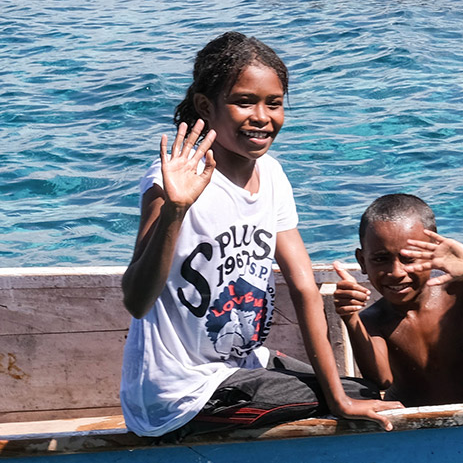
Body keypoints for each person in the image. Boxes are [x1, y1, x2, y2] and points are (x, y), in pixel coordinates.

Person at [119, 32, 397, 439]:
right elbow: (136, 300)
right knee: (354, 400)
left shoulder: (272, 176)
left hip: (242, 366)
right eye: (244, 101)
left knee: (363, 392)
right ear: (204, 106)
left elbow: (304, 289)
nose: (262, 116)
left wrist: (339, 398)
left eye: (275, 103)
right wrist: (176, 210)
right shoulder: (172, 182)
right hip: (184, 392)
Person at [329, 194, 463, 407]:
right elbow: (382, 379)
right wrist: (350, 317)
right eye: (380, 259)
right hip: (413, 422)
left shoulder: (456, 291)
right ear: (362, 261)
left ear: (433, 250)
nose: (396, 272)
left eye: (410, 258)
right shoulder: (373, 319)